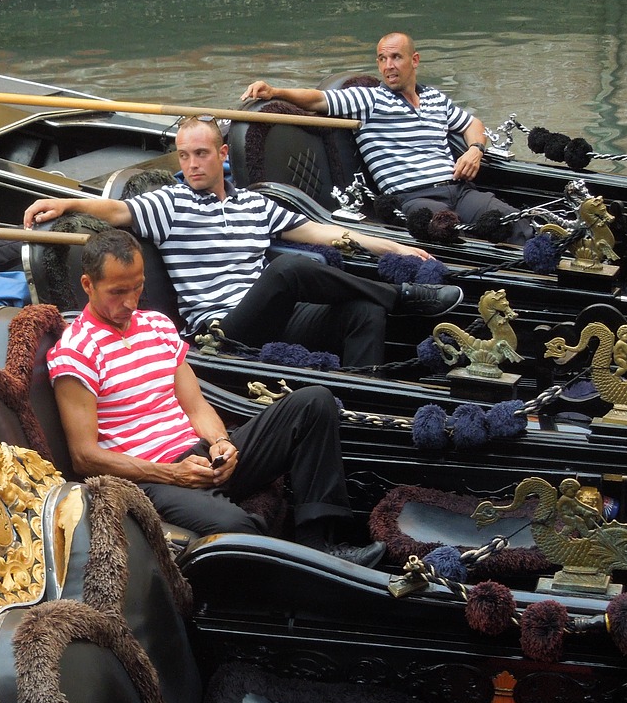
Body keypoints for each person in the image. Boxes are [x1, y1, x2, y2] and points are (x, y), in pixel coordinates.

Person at [46, 227, 386, 567]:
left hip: (200, 457)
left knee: (313, 402)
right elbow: (84, 457)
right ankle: (293, 573)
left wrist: (221, 443)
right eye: (117, 292)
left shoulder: (158, 326)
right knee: (236, 529)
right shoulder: (75, 352)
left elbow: (196, 406)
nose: (131, 302)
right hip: (150, 478)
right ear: (88, 285)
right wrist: (171, 473)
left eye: (137, 288)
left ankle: (321, 544)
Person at [22, 114, 459, 368]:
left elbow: (326, 232)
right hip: (224, 331)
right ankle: (402, 296)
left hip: (274, 313)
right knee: (287, 269)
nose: (192, 164)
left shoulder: (254, 205)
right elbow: (119, 212)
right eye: (185, 155)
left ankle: (367, 393)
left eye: (202, 154)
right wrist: (66, 202)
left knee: (362, 313)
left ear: (222, 154)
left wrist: (396, 248)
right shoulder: (170, 204)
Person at [242, 32, 535, 244]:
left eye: (396, 57)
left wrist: (474, 150)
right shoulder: (368, 100)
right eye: (382, 59)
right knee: (451, 236)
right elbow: (318, 100)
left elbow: (473, 123)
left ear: (414, 60)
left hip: (459, 190)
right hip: (414, 198)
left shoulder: (434, 98)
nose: (388, 65)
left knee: (517, 222)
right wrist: (275, 91)